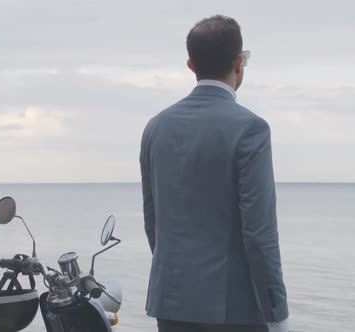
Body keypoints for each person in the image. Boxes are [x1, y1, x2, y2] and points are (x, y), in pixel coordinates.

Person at [139, 15, 290, 332]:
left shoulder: (156, 127)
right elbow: (259, 233)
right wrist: (276, 314)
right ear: (239, 62)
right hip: (233, 310)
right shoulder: (251, 129)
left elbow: (153, 221)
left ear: (191, 66)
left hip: (172, 302)